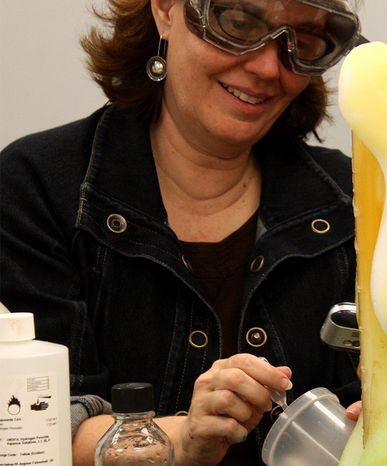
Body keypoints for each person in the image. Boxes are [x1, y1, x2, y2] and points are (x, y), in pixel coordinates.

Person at [0, 0, 365, 464]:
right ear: (166, 10)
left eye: (304, 41)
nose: (268, 66)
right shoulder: (39, 186)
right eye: (237, 23)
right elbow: (32, 427)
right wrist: (185, 437)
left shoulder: (346, 201)